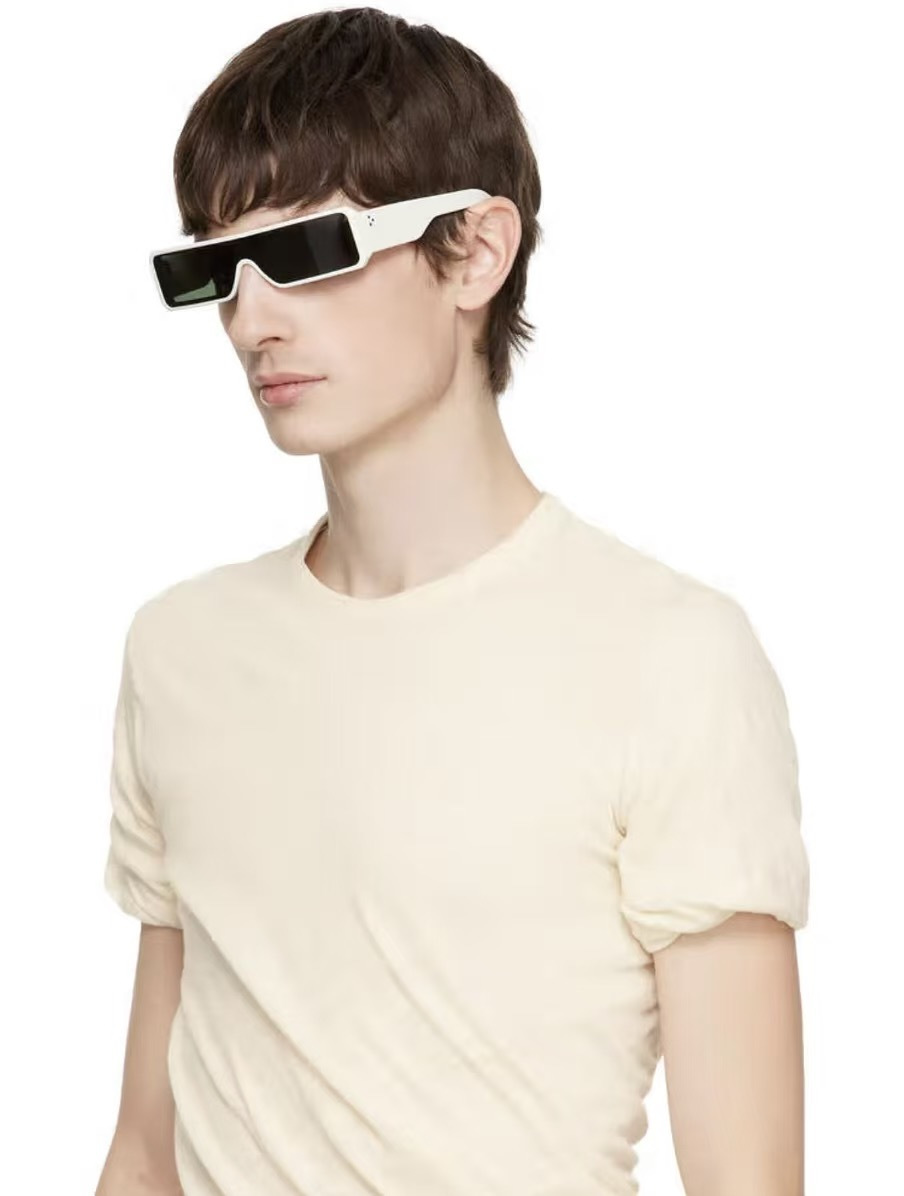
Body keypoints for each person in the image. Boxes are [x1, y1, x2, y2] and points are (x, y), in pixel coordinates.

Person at [95, 9, 810, 1196]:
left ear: (474, 252)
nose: (252, 318)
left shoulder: (667, 656)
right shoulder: (182, 650)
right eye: (214, 269)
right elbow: (143, 1149)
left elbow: (747, 1178)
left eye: (308, 248)